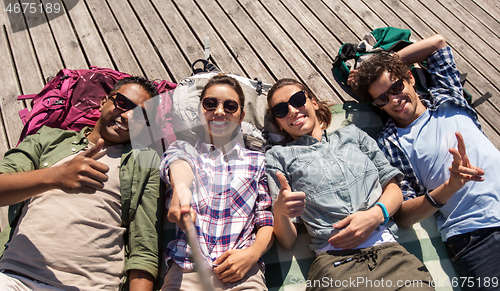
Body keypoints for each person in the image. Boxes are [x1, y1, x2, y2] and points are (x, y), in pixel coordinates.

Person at [352, 34, 500, 288]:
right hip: (475, 237)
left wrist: (381, 66)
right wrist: (449, 187)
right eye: (382, 99)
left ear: (410, 78)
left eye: (396, 88)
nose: (394, 101)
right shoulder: (390, 143)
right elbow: (404, 216)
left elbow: (438, 44)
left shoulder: (448, 97)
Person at [265, 78, 434, 291]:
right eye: (281, 110)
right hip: (336, 266)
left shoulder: (352, 134)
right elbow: (287, 241)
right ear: (278, 122)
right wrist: (280, 212)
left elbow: (393, 187)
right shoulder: (278, 157)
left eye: (298, 100)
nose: (292, 110)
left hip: (391, 257)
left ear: (314, 102)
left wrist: (375, 215)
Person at [0, 76, 162, 290]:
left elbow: (144, 246)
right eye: (122, 103)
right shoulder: (48, 139)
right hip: (15, 277)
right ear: (105, 101)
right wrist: (55, 177)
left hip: (90, 285)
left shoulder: (144, 163)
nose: (128, 117)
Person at [159, 74, 274, 291]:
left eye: (230, 106)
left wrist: (253, 253)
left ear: (241, 116)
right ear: (201, 110)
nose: (219, 112)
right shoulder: (185, 150)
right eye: (210, 104)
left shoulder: (257, 161)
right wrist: (180, 190)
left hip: (242, 272)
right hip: (187, 270)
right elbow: (176, 165)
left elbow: (265, 218)